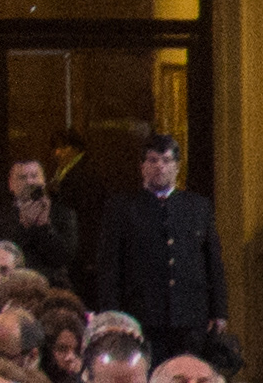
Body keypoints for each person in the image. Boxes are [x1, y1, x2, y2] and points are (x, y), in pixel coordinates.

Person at [87, 134, 231, 370]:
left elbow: (212, 261)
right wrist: (111, 314)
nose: (159, 167)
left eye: (166, 160)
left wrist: (219, 310)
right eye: (153, 161)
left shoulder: (197, 207)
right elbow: (110, 265)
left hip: (190, 313)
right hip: (142, 314)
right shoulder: (123, 208)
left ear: (177, 166)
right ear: (142, 166)